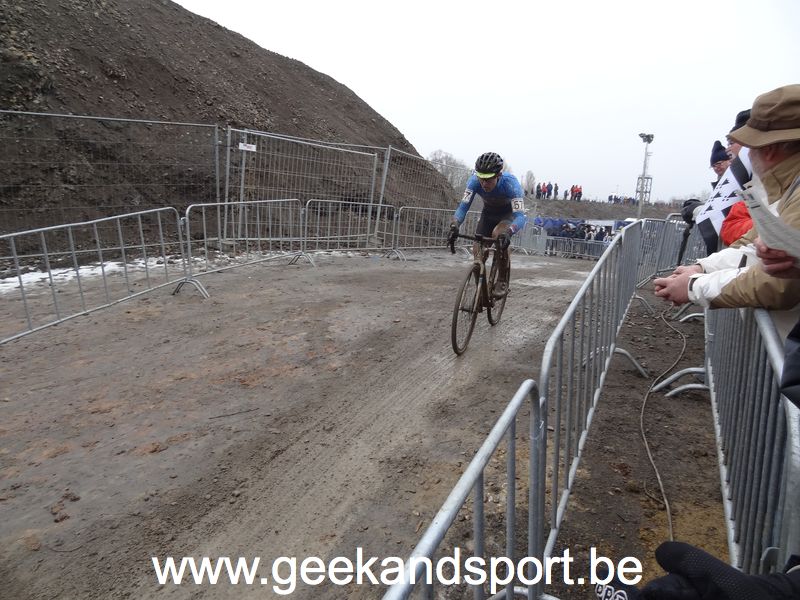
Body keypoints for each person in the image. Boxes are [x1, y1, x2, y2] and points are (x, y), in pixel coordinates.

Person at [653, 83, 800, 341]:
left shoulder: (791, 192)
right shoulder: (784, 190)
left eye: (749, 147)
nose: (742, 157)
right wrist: (702, 268)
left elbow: (777, 283)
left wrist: (694, 286)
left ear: (769, 149)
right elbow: (750, 247)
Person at [448, 152, 526, 298]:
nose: (484, 184)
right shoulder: (473, 182)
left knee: (498, 234)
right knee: (477, 250)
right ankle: (481, 290)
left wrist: (509, 231)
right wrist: (455, 225)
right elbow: (463, 208)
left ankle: (502, 279)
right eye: (481, 178)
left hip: (507, 215)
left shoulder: (511, 184)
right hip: (488, 215)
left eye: (488, 179)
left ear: (498, 175)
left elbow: (520, 216)